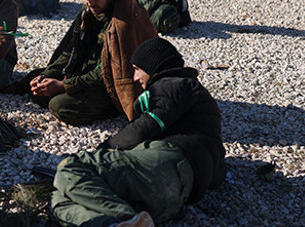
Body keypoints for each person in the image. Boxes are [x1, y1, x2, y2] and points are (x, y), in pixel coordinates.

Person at [49, 37, 225, 227]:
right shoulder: (199, 109)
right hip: (172, 199)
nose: (134, 78)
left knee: (71, 168)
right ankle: (120, 223)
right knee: (58, 201)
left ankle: (125, 219)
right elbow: (217, 175)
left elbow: (145, 127)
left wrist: (104, 149)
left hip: (164, 167)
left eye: (137, 69)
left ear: (153, 66)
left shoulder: (175, 84)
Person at [28, 0, 157, 124]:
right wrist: (47, 75)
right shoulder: (89, 10)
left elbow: (108, 72)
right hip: (86, 73)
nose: (90, 3)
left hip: (111, 84)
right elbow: (71, 49)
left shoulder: (124, 19)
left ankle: (112, 109)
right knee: (37, 89)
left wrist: (64, 85)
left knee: (59, 105)